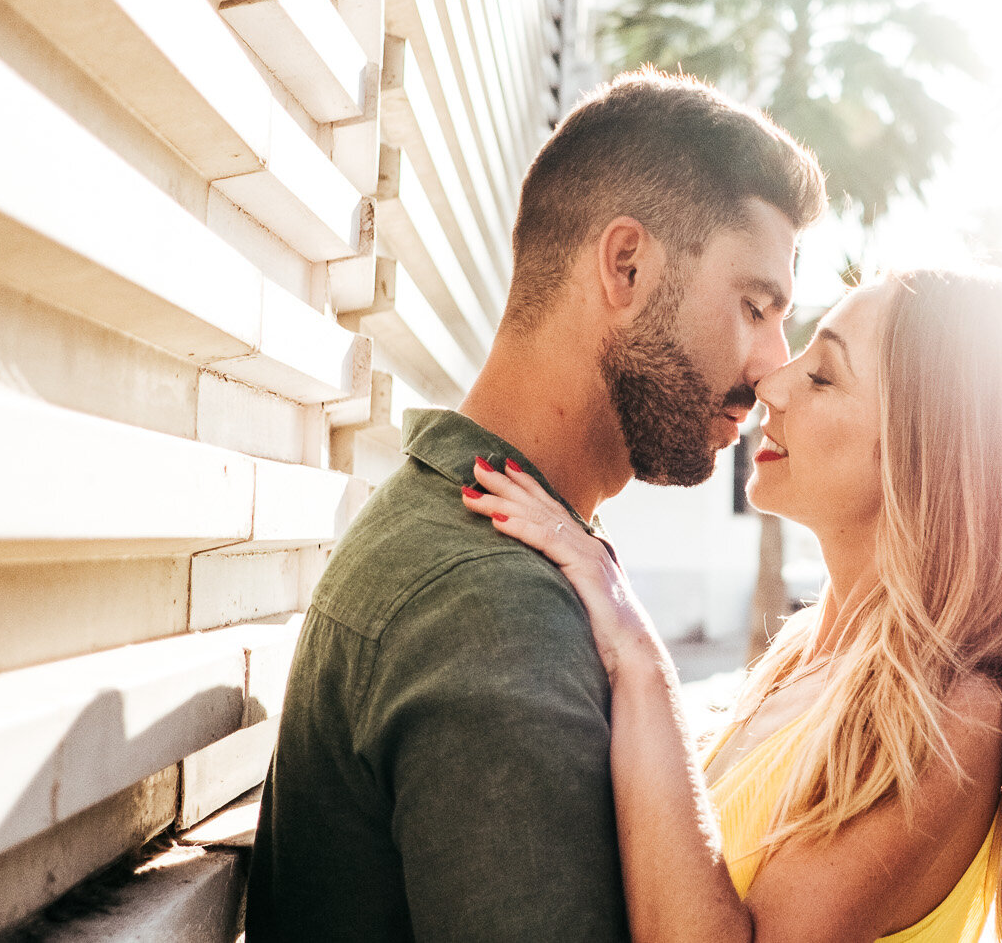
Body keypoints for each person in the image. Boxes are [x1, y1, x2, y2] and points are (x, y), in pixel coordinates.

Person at [245, 72, 827, 941]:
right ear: (626, 265)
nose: (772, 367)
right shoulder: (492, 611)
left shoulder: (465, 526)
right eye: (754, 306)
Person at [463, 268, 1002, 943]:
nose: (772, 382)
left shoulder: (953, 714)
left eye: (823, 375)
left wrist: (636, 652)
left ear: (924, 456)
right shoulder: (805, 655)